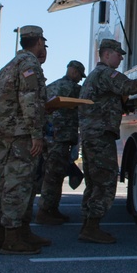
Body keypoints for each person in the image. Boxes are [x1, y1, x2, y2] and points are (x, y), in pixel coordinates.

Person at [78, 39, 137, 244]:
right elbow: (128, 86)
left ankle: (88, 224)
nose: (121, 57)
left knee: (93, 181)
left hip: (91, 136)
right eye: (118, 54)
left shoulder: (93, 76)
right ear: (106, 55)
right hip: (100, 137)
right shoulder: (106, 74)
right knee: (105, 181)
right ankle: (91, 227)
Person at [0, 25, 50, 255]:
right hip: (21, 134)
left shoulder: (8, 66)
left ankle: (2, 234)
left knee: (5, 182)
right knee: (19, 184)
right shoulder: (29, 64)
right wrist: (36, 134)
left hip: (5, 132)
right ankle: (12, 238)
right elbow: (29, 100)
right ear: (39, 42)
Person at [37, 59, 86, 225]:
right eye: (79, 75)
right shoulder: (71, 88)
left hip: (50, 136)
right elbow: (87, 100)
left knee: (53, 174)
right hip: (60, 138)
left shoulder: (52, 86)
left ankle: (52, 209)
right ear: (74, 71)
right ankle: (45, 211)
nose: (80, 79)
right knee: (54, 175)